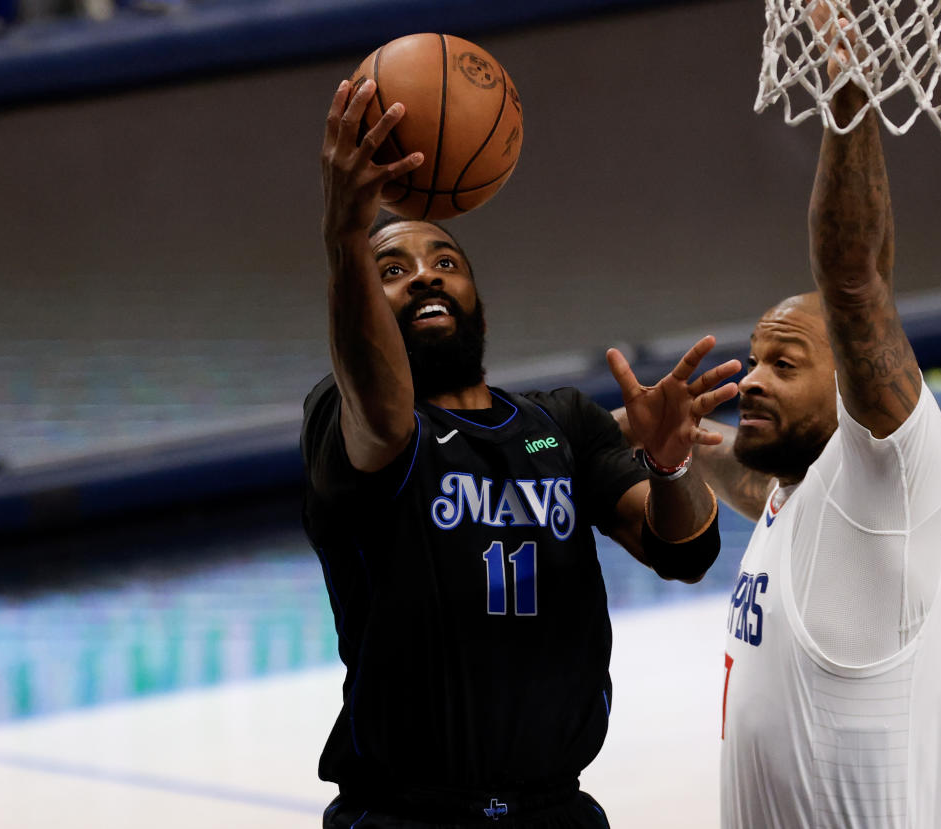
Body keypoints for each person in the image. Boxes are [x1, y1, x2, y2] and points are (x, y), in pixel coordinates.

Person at [300, 77, 741, 828]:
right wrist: (346, 236)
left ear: (476, 294)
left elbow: (687, 548)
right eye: (393, 271)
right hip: (408, 815)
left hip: (555, 809)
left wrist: (671, 464)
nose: (425, 276)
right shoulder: (346, 416)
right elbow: (383, 408)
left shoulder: (561, 423)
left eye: (445, 261)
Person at [613, 6, 941, 825]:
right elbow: (750, 479)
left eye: (785, 364)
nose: (754, 382)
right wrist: (686, 445)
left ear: (858, 384)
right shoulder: (806, 493)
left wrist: (847, 85)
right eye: (757, 362)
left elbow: (854, 274)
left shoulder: (886, 475)